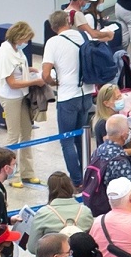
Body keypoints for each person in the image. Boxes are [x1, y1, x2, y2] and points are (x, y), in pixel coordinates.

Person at [38, 10, 93, 176]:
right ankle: (88, 174)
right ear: (68, 21)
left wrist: (54, 82)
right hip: (87, 93)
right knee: (82, 137)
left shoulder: (53, 43)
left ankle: (77, 180)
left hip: (67, 96)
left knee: (67, 140)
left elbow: (46, 74)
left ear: (53, 27)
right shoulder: (84, 36)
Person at [0, 22, 46, 184]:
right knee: (13, 136)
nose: (27, 42)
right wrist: (34, 83)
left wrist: (29, 70)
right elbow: (12, 83)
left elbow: (18, 69)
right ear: (18, 36)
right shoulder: (5, 53)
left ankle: (27, 172)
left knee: (26, 133)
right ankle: (12, 175)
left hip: (22, 96)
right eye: (26, 39)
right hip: (11, 98)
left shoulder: (16, 50)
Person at [30, 172, 96, 241]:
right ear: (70, 187)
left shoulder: (43, 214)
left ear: (50, 190)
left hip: (54, 251)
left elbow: (32, 247)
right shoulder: (86, 211)